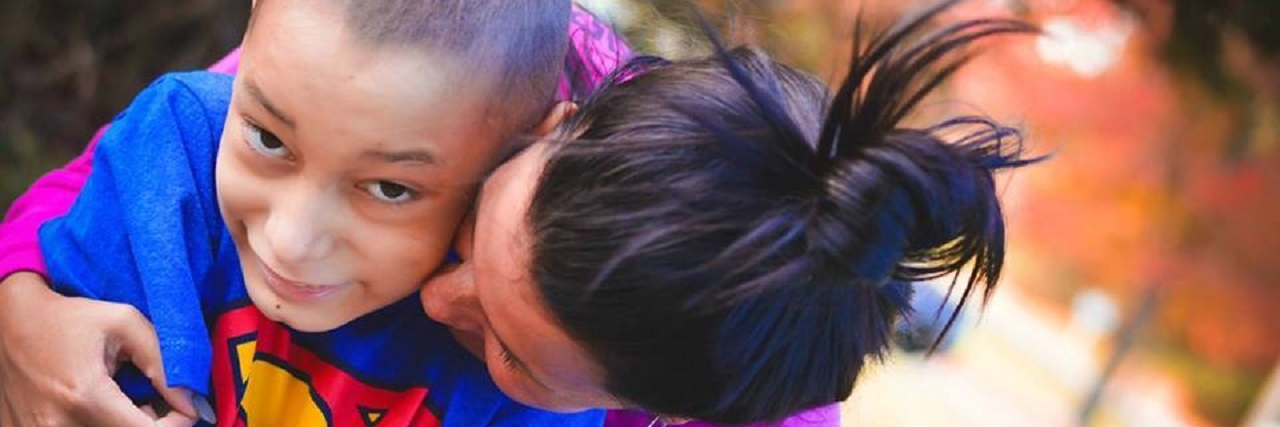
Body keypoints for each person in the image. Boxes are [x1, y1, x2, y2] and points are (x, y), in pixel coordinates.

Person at [1, 0, 1036, 424]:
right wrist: (18, 296)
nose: (437, 296)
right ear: (550, 129)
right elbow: (173, 147)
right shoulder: (473, 59)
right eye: (475, 229)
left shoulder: (732, 390)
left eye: (512, 350)